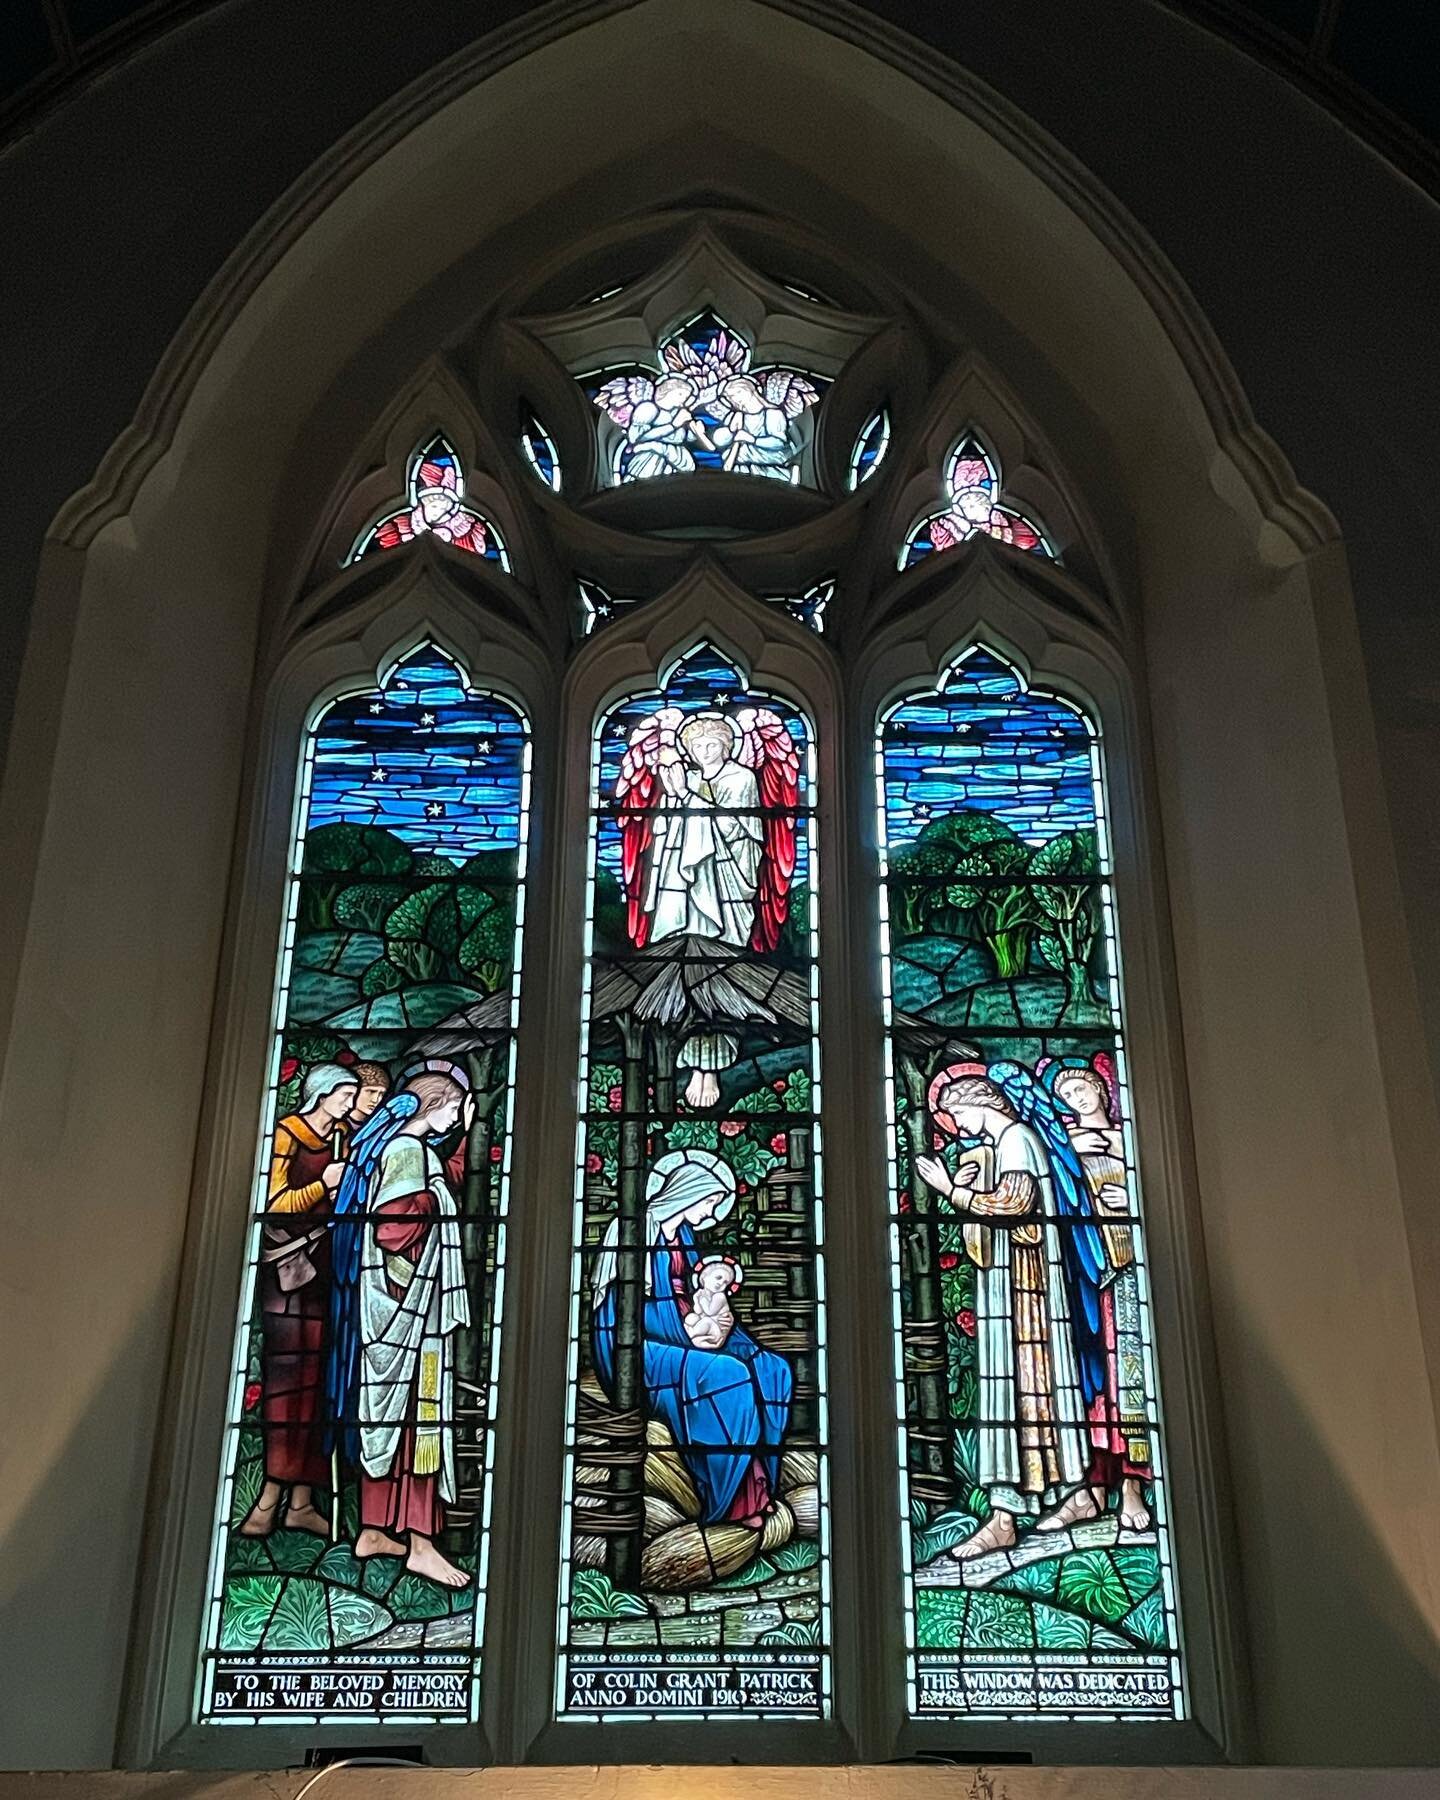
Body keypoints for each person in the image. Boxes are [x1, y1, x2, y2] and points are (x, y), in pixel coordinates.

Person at [914, 1062, 1108, 1559]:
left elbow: (1014, 1204)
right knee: (1026, 1387)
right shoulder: (1003, 1146)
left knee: (1025, 1383)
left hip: (1028, 1289)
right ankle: (1065, 1494)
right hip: (1012, 1284)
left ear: (981, 1103)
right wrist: (969, 1184)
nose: (957, 1126)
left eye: (958, 1114)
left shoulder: (1018, 1139)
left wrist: (949, 1189)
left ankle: (1013, 1513)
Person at [328, 1065, 474, 1588]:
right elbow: (393, 1227)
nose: (458, 1117)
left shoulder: (404, 1152)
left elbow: (434, 1186)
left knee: (384, 1420)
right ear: (436, 1104)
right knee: (418, 1423)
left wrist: (456, 1159)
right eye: (456, 1108)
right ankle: (421, 1544)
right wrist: (435, 1204)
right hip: (407, 1311)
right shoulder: (406, 1152)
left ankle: (373, 1529)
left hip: (393, 1308)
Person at [591, 1150, 791, 1531]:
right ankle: (728, 1502)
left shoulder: (683, 1234)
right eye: (710, 1201)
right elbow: (622, 1307)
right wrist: (688, 1331)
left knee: (771, 1369)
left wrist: (717, 1322)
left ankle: (760, 1490)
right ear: (688, 1192)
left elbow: (698, 1292)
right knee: (726, 1376)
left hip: (683, 1328)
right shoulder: (634, 1228)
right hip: (636, 1344)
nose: (712, 1210)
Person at [240, 1063, 356, 1538]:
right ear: (320, 1094)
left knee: (319, 1386)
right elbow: (273, 1201)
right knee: (288, 1386)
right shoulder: (289, 1134)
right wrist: (322, 1186)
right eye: (344, 1095)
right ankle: (267, 1500)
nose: (350, 1103)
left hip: (329, 1274)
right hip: (289, 1280)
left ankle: (302, 1503)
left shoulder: (343, 1138)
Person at [1047, 1060, 1154, 1531]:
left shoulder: (1132, 1137)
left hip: (1131, 1270)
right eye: (1066, 1095)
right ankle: (1092, 1487)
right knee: (1093, 1382)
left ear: (1100, 1089)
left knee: (1129, 1380)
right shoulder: (1067, 1144)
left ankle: (1132, 1485)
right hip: (1088, 1274)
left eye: (1082, 1088)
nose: (1077, 1099)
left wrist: (1132, 1201)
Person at [648, 713, 764, 1106]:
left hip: (727, 885)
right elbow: (669, 831)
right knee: (684, 967)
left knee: (720, 973)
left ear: (727, 746)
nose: (705, 751)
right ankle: (692, 1059)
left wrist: (686, 796)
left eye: (713, 744)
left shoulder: (741, 778)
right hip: (688, 890)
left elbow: (734, 828)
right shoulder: (692, 779)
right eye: (697, 746)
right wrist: (675, 791)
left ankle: (713, 1062)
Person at [685, 1256, 743, 1350]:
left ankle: (691, 1333)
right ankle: (697, 1338)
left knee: (706, 1320)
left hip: (717, 1332)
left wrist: (702, 1299)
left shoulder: (720, 1296)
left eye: (725, 1282)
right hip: (707, 1330)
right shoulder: (701, 1294)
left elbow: (709, 1312)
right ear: (704, 1277)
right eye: (718, 1278)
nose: (721, 1283)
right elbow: (698, 1312)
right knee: (691, 1317)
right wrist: (696, 1299)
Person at [350, 1061, 390, 1126]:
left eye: (381, 1094)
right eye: (371, 1091)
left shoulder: (379, 1126)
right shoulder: (337, 1125)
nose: (376, 1100)